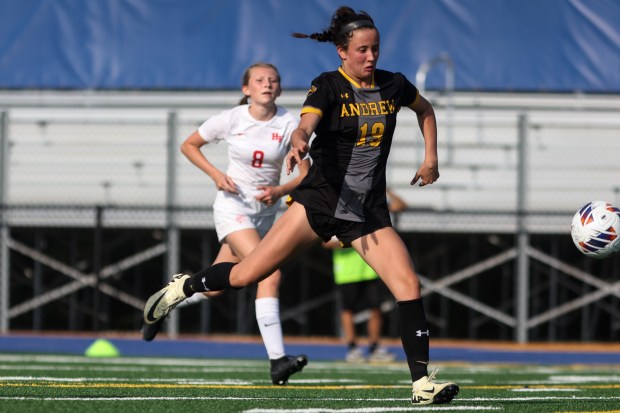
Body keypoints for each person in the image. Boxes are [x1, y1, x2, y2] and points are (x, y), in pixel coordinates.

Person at [143, 6, 459, 405]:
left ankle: (421, 385)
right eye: (362, 50)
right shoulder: (328, 85)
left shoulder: (393, 85)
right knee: (245, 275)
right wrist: (299, 141)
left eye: (375, 49)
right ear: (343, 52)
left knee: (408, 286)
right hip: (319, 201)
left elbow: (426, 110)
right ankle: (183, 287)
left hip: (367, 212)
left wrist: (431, 157)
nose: (371, 57)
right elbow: (306, 122)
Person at [142, 62, 311, 386]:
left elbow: (305, 174)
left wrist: (279, 190)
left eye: (273, 80)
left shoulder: (290, 123)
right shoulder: (232, 118)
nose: (267, 84)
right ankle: (277, 360)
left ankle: (166, 300)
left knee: (216, 288)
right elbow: (189, 145)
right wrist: (217, 175)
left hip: (263, 215)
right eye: (259, 80)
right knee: (269, 271)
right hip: (232, 210)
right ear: (246, 89)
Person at [324, 189, 406, 363]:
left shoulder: (370, 210)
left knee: (376, 308)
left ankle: (374, 347)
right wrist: (351, 239)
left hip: (370, 268)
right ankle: (352, 348)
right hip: (347, 271)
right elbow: (326, 243)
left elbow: (401, 205)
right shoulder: (339, 211)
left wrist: (384, 188)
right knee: (348, 310)